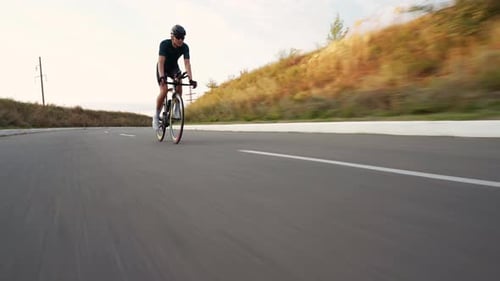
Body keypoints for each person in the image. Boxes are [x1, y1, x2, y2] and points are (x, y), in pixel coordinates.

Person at [153, 24, 197, 129]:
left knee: (179, 80)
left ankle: (177, 107)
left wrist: (191, 79)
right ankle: (156, 116)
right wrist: (162, 76)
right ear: (172, 36)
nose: (181, 40)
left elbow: (187, 64)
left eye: (183, 38)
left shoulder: (185, 47)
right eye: (178, 37)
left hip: (173, 67)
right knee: (163, 91)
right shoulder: (164, 44)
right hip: (163, 67)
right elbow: (161, 62)